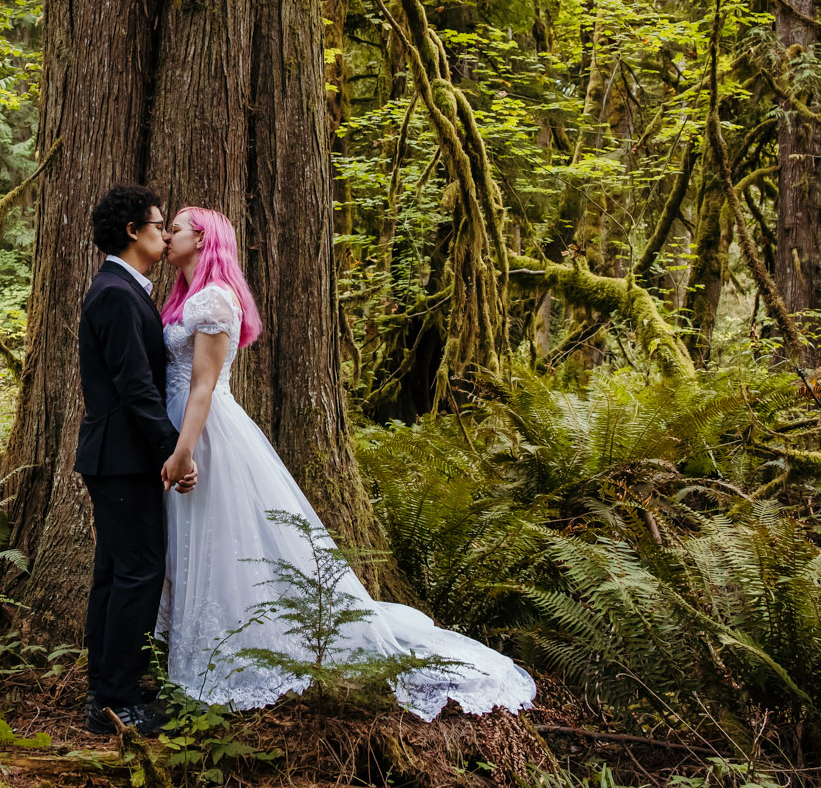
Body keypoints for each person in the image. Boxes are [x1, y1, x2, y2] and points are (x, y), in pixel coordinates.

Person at [152, 206, 536, 721]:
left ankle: (231, 651)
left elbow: (202, 385)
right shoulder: (183, 299)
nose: (167, 235)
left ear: (202, 239)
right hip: (182, 426)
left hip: (206, 435)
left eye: (175, 228)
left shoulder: (214, 300)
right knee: (193, 540)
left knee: (218, 538)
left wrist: (184, 449)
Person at [73, 183, 185, 737]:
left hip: (116, 457)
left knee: (116, 575)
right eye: (159, 225)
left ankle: (105, 693)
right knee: (137, 573)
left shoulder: (125, 288)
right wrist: (173, 450)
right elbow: (135, 386)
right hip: (122, 458)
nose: (166, 235)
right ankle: (117, 700)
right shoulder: (116, 293)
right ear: (132, 231)